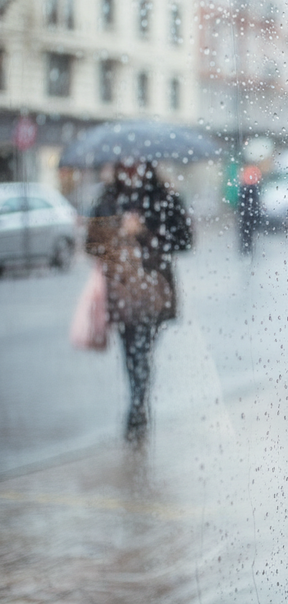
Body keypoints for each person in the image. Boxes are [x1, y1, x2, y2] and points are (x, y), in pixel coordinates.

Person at [85, 158, 192, 444]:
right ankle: (138, 404)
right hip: (121, 289)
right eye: (125, 163)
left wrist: (144, 231)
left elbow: (184, 241)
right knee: (133, 351)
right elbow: (92, 245)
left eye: (136, 163)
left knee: (141, 349)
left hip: (154, 290)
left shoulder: (164, 196)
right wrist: (119, 231)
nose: (130, 169)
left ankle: (137, 406)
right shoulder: (108, 197)